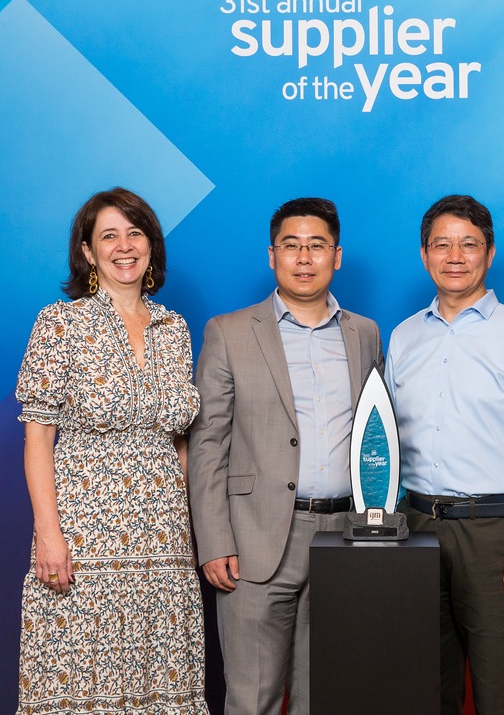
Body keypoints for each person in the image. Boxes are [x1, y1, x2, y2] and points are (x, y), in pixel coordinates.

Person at [14, 187, 208, 714]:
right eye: (109, 236)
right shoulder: (60, 324)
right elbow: (38, 439)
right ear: (87, 251)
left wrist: (191, 532)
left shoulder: (174, 328)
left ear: (151, 246)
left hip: (164, 544)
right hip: (85, 539)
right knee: (79, 684)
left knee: (161, 684)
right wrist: (48, 535)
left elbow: (179, 440)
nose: (124, 246)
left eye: (135, 233)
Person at [187, 197, 383, 715]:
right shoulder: (229, 332)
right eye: (291, 245)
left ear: (336, 256)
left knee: (326, 697)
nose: (303, 257)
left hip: (344, 536)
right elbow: (208, 445)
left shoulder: (364, 333)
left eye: (316, 245)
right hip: (255, 539)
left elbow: (376, 438)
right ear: (271, 255)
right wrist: (214, 541)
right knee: (253, 699)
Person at [386, 194, 504, 715]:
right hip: (416, 528)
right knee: (426, 689)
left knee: (498, 694)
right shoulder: (403, 337)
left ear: (489, 253)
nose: (455, 256)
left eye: (469, 244)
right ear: (424, 254)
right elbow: (388, 440)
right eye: (441, 244)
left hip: (494, 535)